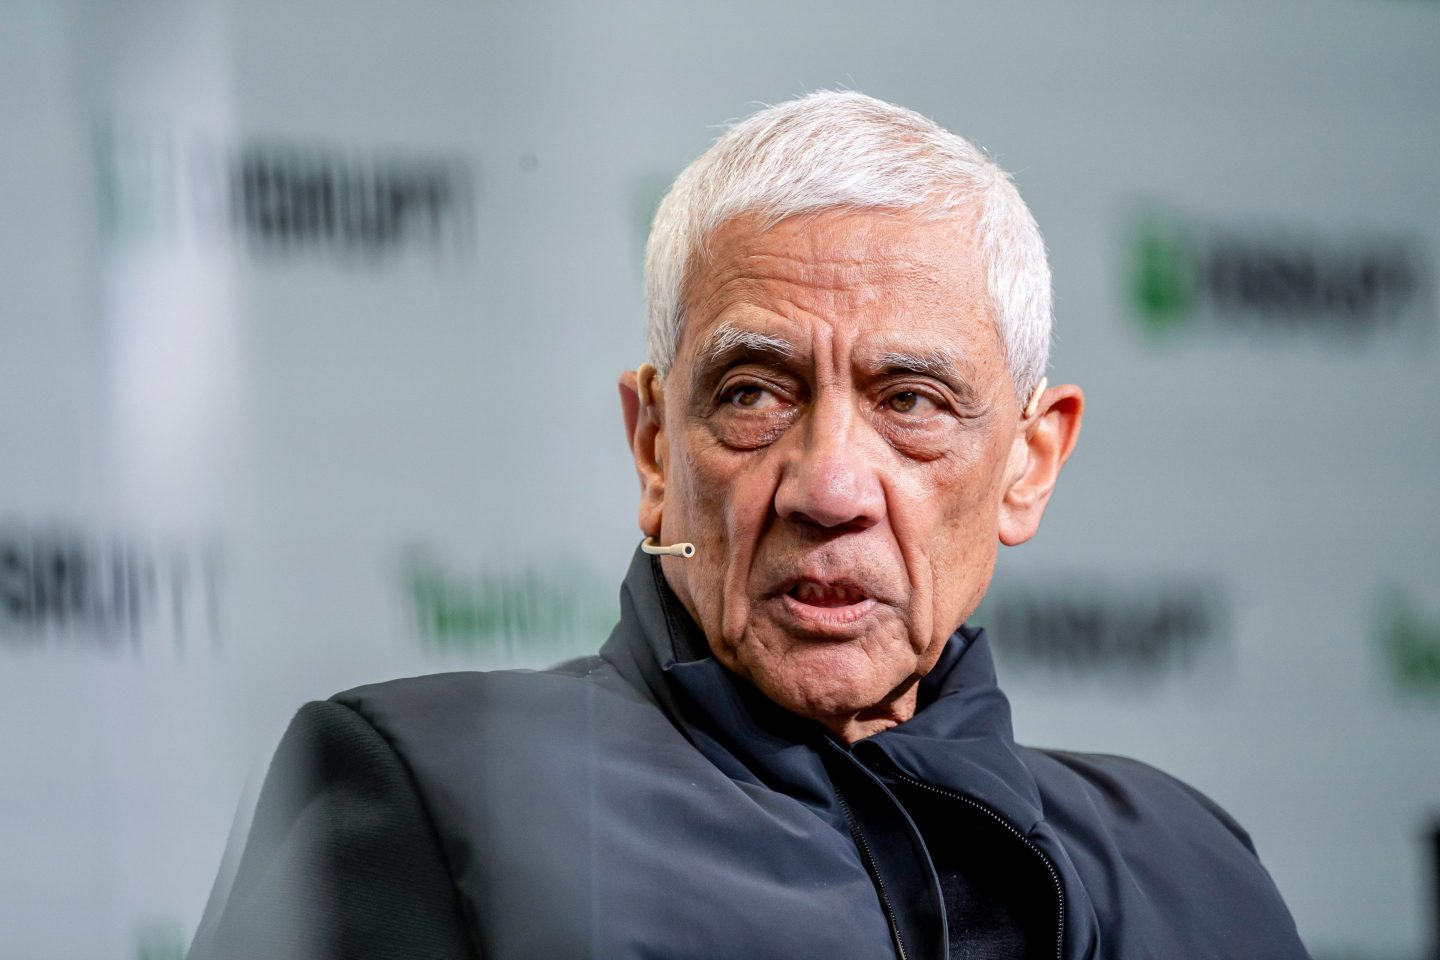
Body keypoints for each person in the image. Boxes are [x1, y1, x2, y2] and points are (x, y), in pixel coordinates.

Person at [189, 92, 1308, 960]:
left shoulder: (1191, 869)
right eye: (754, 393)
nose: (830, 486)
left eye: (912, 402)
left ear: (1029, 464)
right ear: (653, 449)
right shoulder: (439, 792)